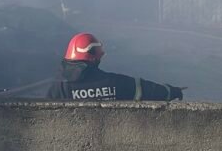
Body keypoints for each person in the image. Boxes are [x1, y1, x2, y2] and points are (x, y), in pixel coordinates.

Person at [47, 32, 185, 101]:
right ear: (93, 56)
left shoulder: (58, 88)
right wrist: (172, 91)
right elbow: (147, 89)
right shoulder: (113, 83)